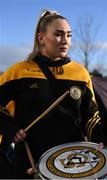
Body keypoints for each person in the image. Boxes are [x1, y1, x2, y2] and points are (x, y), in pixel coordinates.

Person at [0, 9, 106, 179]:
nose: (65, 41)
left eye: (69, 35)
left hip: (72, 163)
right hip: (29, 162)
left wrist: (100, 139)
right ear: (41, 38)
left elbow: (91, 116)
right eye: (58, 34)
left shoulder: (80, 73)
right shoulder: (19, 71)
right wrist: (9, 128)